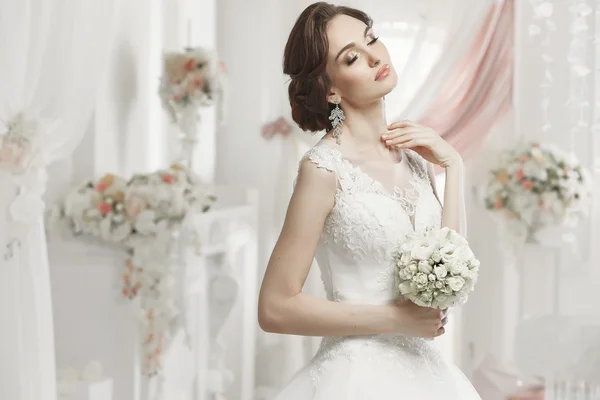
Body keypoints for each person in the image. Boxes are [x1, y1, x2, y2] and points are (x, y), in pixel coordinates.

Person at [257, 2, 480, 399]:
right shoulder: (323, 170)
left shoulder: (416, 158)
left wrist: (454, 165)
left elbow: (450, 268)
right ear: (330, 88)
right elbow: (274, 307)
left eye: (372, 39)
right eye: (353, 57)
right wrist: (395, 319)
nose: (377, 55)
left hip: (426, 374)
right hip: (355, 378)